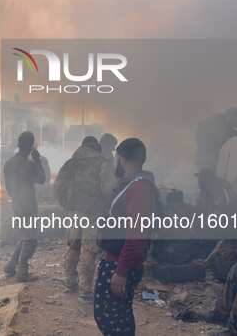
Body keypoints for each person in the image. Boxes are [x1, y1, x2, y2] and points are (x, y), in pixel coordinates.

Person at [94, 138, 158, 336]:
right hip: (117, 259)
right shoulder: (134, 184)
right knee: (113, 315)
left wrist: (121, 271)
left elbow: (137, 235)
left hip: (119, 262)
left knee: (113, 318)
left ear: (121, 159)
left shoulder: (139, 188)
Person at [55, 136, 115, 304]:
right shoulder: (102, 163)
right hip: (92, 213)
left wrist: (66, 205)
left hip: (72, 212)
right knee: (88, 250)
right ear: (96, 148)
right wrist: (108, 208)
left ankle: (70, 282)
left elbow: (58, 187)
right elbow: (108, 189)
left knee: (73, 246)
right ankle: (85, 291)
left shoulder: (70, 163)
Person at [3, 131, 46, 281]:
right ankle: (22, 271)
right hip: (28, 204)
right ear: (31, 146)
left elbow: (8, 188)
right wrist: (38, 161)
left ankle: (11, 265)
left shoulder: (8, 163)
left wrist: (16, 198)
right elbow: (42, 179)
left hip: (17, 203)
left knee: (25, 236)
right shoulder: (29, 164)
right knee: (31, 239)